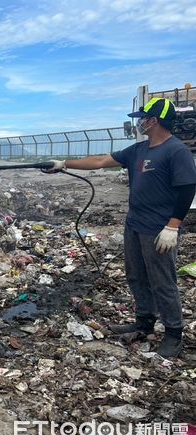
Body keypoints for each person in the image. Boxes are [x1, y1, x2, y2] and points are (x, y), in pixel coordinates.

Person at [49, 97, 196, 358]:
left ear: (154, 120)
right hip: (135, 224)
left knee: (163, 282)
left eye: (143, 117)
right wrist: (64, 164)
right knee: (136, 275)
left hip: (159, 229)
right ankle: (144, 322)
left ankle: (174, 333)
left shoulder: (176, 151)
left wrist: (173, 227)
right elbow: (100, 161)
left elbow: (187, 189)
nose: (140, 122)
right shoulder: (139, 150)